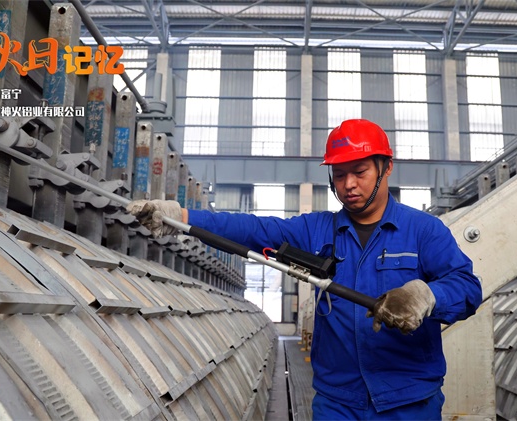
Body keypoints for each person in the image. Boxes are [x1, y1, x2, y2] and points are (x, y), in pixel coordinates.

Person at [127, 119, 482, 420]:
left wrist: (427, 295)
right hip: (337, 402)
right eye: (339, 175)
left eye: (359, 172)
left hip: (409, 402)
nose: (348, 185)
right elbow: (253, 230)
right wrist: (181, 217)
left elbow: (467, 288)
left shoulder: (423, 231)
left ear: (386, 167)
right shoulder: (317, 231)